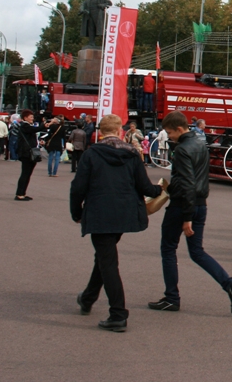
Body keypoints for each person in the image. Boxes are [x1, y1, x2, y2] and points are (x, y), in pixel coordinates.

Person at [71, 114, 163, 332]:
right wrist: (160, 189)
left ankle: (118, 314)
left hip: (99, 213)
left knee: (108, 262)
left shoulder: (91, 154)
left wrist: (77, 212)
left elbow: (78, 187)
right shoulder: (132, 154)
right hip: (125, 213)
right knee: (104, 257)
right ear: (120, 131)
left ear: (101, 132)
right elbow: (145, 187)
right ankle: (88, 297)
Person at [148, 111, 232, 315]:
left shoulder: (182, 150)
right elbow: (198, 178)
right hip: (200, 203)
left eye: (170, 133)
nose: (170, 137)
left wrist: (186, 216)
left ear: (179, 129)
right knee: (197, 252)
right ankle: (229, 283)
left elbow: (187, 183)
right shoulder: (201, 144)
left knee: (168, 249)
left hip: (182, 205)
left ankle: (172, 297)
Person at [14, 110, 45, 201]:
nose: (32, 118)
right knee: (25, 174)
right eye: (31, 117)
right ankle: (19, 194)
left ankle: (22, 193)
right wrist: (43, 125)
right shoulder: (24, 126)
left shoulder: (27, 126)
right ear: (25, 118)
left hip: (29, 152)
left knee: (27, 174)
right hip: (26, 153)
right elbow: (34, 130)